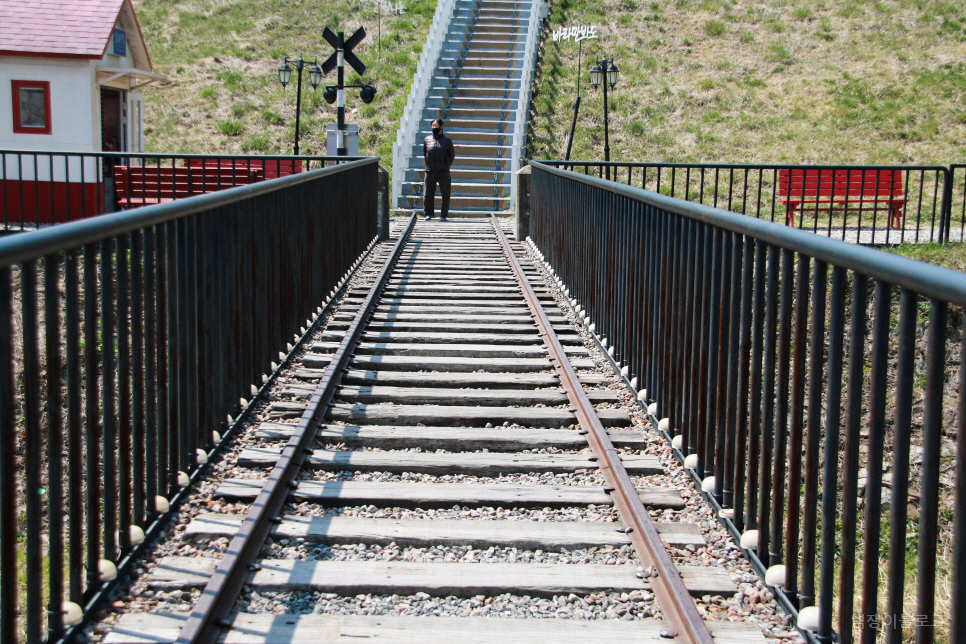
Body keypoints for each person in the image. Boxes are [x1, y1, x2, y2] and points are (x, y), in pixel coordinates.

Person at [422, 118, 455, 221]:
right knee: (428, 193)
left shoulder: (447, 141)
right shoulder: (427, 139)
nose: (434, 128)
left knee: (445, 194)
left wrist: (446, 165)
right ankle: (428, 214)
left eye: (436, 126)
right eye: (432, 126)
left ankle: (443, 215)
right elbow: (425, 153)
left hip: (443, 171)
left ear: (441, 127)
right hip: (430, 170)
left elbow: (451, 155)